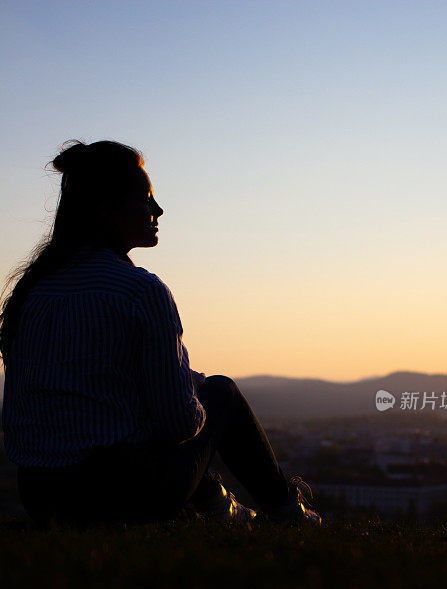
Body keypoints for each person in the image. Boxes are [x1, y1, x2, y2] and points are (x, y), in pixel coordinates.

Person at [0, 140, 321, 528]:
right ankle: (289, 513)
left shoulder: (31, 293)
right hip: (125, 496)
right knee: (221, 392)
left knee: (146, 415)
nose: (158, 210)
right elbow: (177, 424)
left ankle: (217, 504)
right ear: (106, 211)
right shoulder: (140, 291)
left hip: (41, 495)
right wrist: (192, 391)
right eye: (145, 199)